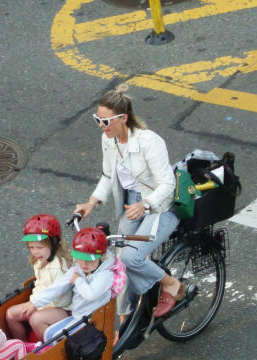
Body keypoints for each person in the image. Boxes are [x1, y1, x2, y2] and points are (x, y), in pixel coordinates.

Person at [74, 83, 186, 318]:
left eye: (106, 121)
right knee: (120, 263)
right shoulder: (109, 140)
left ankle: (170, 284)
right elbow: (108, 175)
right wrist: (91, 203)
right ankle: (126, 321)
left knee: (131, 257)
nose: (101, 126)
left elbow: (167, 184)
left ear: (123, 117)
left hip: (159, 207)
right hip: (131, 204)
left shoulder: (149, 142)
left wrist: (145, 205)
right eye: (98, 119)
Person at [28, 227, 125, 345]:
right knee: (49, 334)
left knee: (59, 340)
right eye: (80, 258)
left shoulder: (106, 274)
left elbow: (91, 294)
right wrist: (35, 302)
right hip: (78, 316)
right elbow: (59, 286)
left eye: (89, 260)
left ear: (101, 256)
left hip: (91, 321)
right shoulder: (79, 268)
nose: (84, 263)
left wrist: (78, 280)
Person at [5, 214, 73, 342]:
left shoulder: (58, 267)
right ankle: (23, 346)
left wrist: (37, 305)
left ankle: (46, 349)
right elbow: (40, 285)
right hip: (42, 302)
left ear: (53, 244)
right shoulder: (39, 261)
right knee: (10, 314)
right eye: (31, 247)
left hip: (62, 309)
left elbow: (62, 296)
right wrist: (33, 302)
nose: (35, 252)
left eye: (40, 247)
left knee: (36, 319)